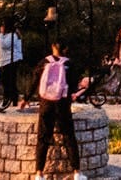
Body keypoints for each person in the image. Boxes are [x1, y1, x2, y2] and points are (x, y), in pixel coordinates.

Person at [31, 41, 89, 180]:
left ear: (52, 47)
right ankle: (76, 173)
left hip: (46, 103)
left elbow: (34, 81)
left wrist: (26, 98)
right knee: (69, 137)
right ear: (65, 49)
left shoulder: (44, 62)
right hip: (62, 104)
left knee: (43, 138)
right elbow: (74, 84)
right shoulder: (69, 64)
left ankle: (39, 173)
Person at [0, 19, 24, 109]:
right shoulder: (8, 36)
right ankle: (9, 99)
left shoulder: (12, 36)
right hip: (6, 60)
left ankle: (11, 100)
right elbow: (2, 49)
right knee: (6, 81)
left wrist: (0, 34)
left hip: (11, 61)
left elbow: (4, 45)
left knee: (9, 81)